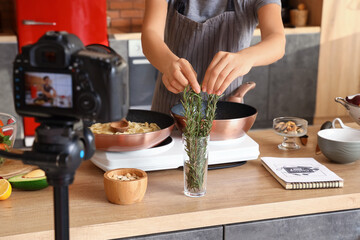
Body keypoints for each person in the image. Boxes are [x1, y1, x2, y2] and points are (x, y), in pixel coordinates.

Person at [141, 0, 286, 114]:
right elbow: (150, 33)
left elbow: (277, 40)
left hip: (226, 112)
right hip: (169, 109)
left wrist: (246, 58)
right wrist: (167, 64)